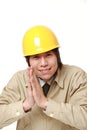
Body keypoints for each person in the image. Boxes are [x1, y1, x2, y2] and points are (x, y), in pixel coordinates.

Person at [0, 25, 87, 130]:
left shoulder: (76, 76)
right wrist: (25, 105)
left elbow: (85, 119)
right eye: (36, 57)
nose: (43, 63)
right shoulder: (19, 79)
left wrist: (45, 103)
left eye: (48, 55)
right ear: (28, 61)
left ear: (57, 56)